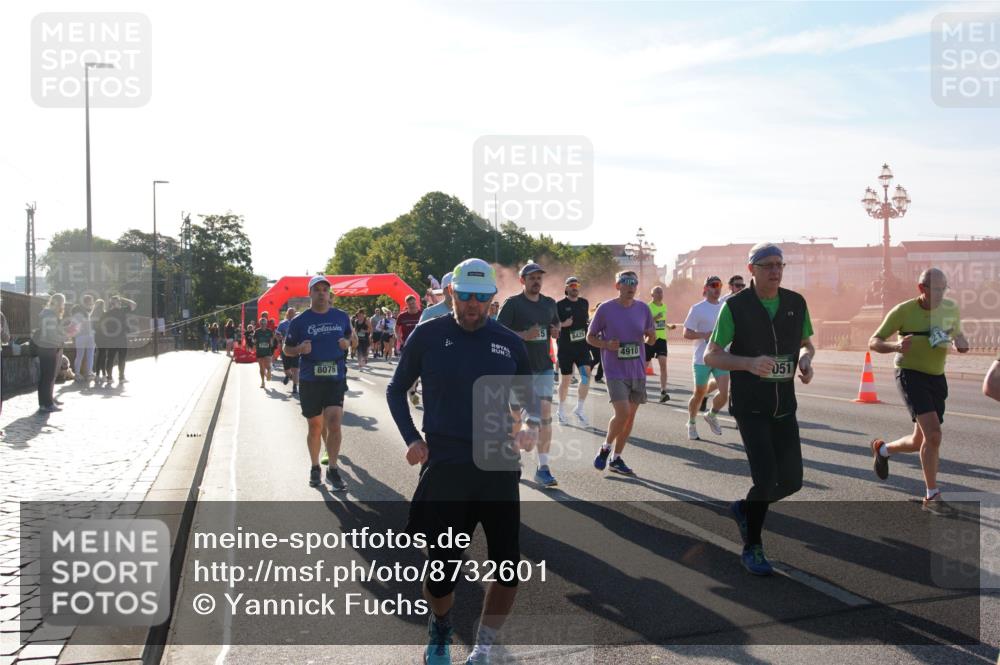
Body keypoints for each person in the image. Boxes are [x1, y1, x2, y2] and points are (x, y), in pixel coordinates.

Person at [386, 258, 539, 665]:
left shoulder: (509, 342)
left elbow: (530, 396)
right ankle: (440, 627)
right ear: (451, 292)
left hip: (497, 465)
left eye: (482, 297)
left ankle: (483, 647)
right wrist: (411, 438)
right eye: (466, 295)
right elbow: (396, 389)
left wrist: (529, 425)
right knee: (441, 574)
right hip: (447, 466)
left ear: (492, 297)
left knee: (507, 567)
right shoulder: (427, 335)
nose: (473, 304)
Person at [704, 243, 815, 575]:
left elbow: (807, 344)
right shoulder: (735, 307)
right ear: (751, 269)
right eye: (768, 265)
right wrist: (748, 363)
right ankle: (752, 546)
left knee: (792, 481)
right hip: (751, 406)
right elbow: (712, 355)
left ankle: (744, 508)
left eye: (780, 264)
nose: (775, 271)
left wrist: (806, 360)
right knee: (766, 479)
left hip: (784, 406)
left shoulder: (796, 302)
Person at [868, 268, 970, 515]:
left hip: (937, 376)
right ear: (921, 289)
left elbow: (957, 334)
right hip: (910, 373)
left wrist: (962, 342)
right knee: (933, 435)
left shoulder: (950, 308)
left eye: (944, 289)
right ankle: (932, 496)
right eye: (936, 289)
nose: (941, 294)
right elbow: (874, 341)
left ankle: (883, 450)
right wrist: (896, 346)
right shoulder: (904, 311)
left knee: (919, 441)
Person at [282, 276, 353, 490]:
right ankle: (315, 467)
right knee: (315, 426)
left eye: (325, 289)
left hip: (335, 378)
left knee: (334, 423)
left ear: (329, 293)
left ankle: (333, 468)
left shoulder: (341, 316)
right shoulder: (299, 321)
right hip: (310, 379)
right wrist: (299, 349)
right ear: (310, 294)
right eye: (317, 289)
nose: (322, 293)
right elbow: (286, 349)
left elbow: (353, 339)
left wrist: (347, 343)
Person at [498, 261, 561, 488]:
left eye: (539, 278)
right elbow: (499, 332)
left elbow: (556, 324)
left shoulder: (549, 303)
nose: (536, 281)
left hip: (544, 366)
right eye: (532, 278)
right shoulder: (513, 304)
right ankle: (513, 455)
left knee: (544, 413)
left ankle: (543, 468)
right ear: (522, 281)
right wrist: (524, 335)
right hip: (519, 370)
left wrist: (556, 330)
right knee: (515, 416)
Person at [587, 270, 656, 476]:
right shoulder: (606, 309)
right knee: (623, 413)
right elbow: (590, 337)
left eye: (634, 282)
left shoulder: (643, 309)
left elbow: (651, 340)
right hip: (615, 370)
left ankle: (616, 458)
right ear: (617, 286)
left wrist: (651, 336)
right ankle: (606, 448)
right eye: (626, 282)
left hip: (637, 370)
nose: (631, 286)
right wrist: (607, 344)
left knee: (629, 418)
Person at [683, 276, 729, 440]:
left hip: (720, 356)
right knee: (699, 394)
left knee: (724, 394)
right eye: (714, 285)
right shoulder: (697, 309)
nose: (717, 288)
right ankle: (691, 422)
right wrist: (703, 335)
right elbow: (686, 333)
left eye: (720, 285)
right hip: (701, 358)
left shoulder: (725, 307)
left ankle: (711, 414)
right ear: (706, 288)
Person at [556, 276, 593, 427]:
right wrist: (563, 324)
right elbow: (552, 325)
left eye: (576, 285)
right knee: (565, 380)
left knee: (586, 376)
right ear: (566, 288)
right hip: (566, 348)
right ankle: (560, 410)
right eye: (571, 285)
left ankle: (579, 408)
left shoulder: (584, 303)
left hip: (581, 347)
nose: (574, 288)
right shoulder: (559, 305)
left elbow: (586, 322)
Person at [34, 293, 69, 412]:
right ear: (58, 303)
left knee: (45, 377)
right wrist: (63, 338)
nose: (63, 305)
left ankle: (44, 404)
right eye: (63, 303)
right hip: (49, 347)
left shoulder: (46, 313)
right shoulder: (50, 315)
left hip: (45, 347)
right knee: (48, 377)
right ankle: (48, 404)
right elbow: (51, 334)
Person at [646, 285, 677, 403]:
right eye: (657, 292)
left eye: (661, 292)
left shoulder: (664, 306)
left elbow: (662, 322)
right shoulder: (648, 307)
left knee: (663, 365)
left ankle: (663, 392)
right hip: (650, 339)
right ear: (652, 295)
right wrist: (655, 318)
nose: (660, 294)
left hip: (661, 339)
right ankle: (639, 389)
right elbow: (645, 322)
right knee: (644, 366)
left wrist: (668, 326)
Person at [395, 294, 424, 405]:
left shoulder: (422, 314)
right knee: (410, 369)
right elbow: (396, 328)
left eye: (413, 303)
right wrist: (398, 338)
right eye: (409, 303)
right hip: (407, 346)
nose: (412, 305)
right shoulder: (402, 316)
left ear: (416, 303)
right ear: (406, 304)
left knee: (421, 369)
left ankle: (413, 387)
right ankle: (411, 390)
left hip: (421, 346)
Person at [104, 295, 135, 383]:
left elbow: (134, 305)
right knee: (113, 358)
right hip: (116, 339)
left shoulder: (110, 312)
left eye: (120, 301)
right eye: (119, 301)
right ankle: (112, 377)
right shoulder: (111, 313)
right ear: (113, 303)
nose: (120, 303)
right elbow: (133, 304)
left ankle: (119, 377)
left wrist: (121, 298)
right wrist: (122, 298)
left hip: (118, 339)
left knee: (118, 358)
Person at [70, 295, 96, 382]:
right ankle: (89, 373)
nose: (91, 304)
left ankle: (77, 374)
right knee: (90, 355)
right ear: (87, 302)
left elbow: (73, 325)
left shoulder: (77, 312)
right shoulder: (86, 313)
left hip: (79, 337)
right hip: (89, 336)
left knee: (79, 356)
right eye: (91, 302)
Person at [275, 308, 300, 394]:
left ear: (295, 314)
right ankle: (289, 375)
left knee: (295, 369)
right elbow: (277, 334)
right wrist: (280, 339)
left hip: (296, 348)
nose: (291, 315)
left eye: (292, 313)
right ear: (287, 314)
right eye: (289, 313)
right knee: (287, 369)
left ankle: (294, 386)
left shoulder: (298, 323)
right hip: (285, 348)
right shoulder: (282, 323)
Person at [253, 316, 276, 388]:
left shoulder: (269, 331)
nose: (263, 325)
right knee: (261, 367)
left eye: (264, 323)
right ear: (260, 324)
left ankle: (269, 371)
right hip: (259, 351)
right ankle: (262, 382)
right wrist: (254, 344)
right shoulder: (257, 331)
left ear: (266, 324)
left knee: (267, 365)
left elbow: (272, 339)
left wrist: (271, 343)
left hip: (267, 351)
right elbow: (254, 340)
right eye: (262, 323)